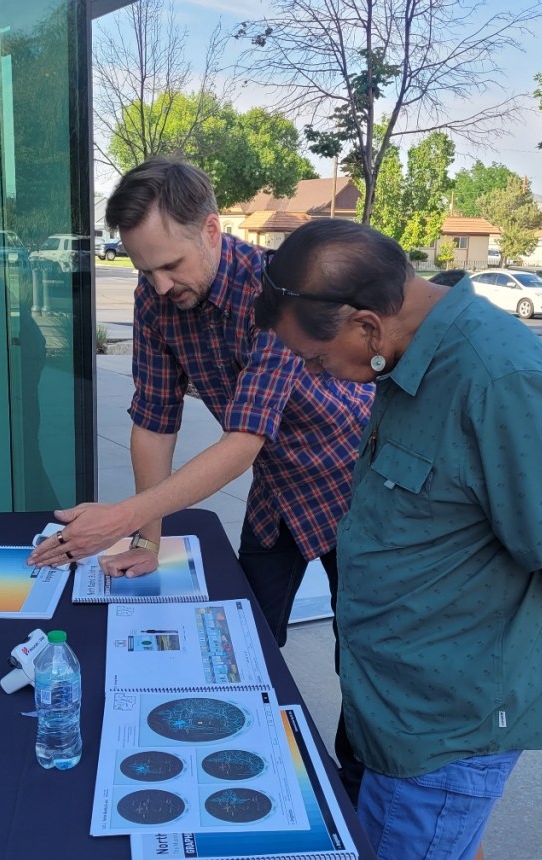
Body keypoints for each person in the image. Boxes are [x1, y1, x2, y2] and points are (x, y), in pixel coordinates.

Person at [252, 217, 542, 860]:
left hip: (453, 709)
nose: (320, 374)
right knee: (445, 858)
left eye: (317, 359)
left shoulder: (495, 377)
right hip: (406, 699)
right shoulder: (408, 354)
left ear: (365, 323)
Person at [28, 158, 374, 790]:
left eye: (170, 265)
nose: (158, 285)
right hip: (278, 492)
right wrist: (147, 538)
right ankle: (242, 765)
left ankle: (358, 793)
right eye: (143, 269)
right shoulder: (155, 301)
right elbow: (153, 422)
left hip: (352, 483)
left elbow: (243, 439)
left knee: (363, 654)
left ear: (212, 229)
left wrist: (123, 517)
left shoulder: (278, 288)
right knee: (246, 639)